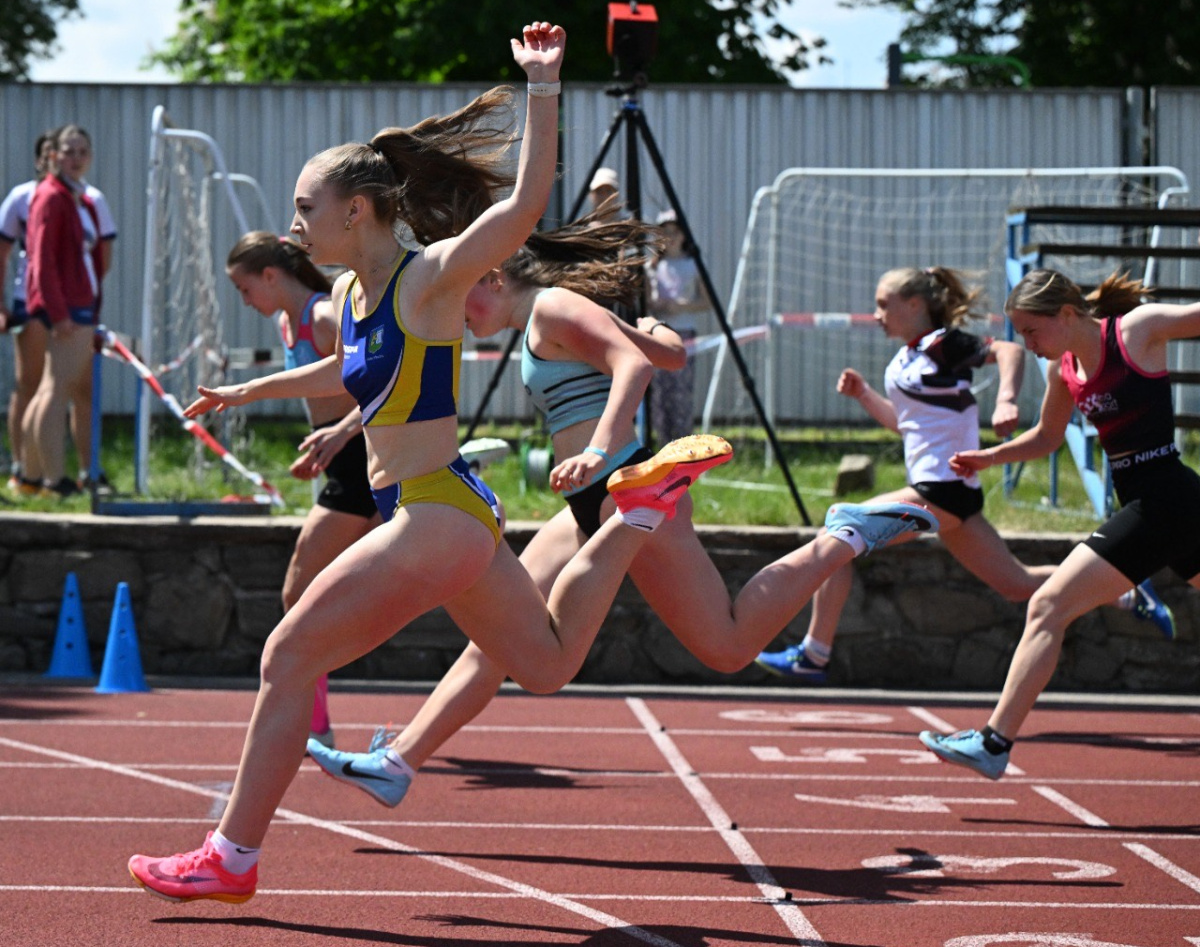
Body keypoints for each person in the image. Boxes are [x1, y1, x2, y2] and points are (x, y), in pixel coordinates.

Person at [125, 22, 735, 904]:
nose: (295, 225)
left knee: (287, 656)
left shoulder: (429, 279)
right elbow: (346, 370)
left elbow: (524, 208)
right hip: (454, 513)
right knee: (548, 664)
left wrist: (545, 86)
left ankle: (232, 854)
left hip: (431, 513)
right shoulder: (348, 290)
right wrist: (245, 396)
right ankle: (637, 512)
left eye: (305, 208)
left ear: (356, 211)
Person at [301, 223, 941, 809]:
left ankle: (843, 536)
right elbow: (660, 354)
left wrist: (602, 449)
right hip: (592, 496)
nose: (460, 319)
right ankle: (398, 761)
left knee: (727, 645)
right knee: (503, 634)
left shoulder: (550, 306)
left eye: (466, 297)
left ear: (494, 277)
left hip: (629, 482)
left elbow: (635, 366)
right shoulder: (542, 320)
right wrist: (649, 334)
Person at [756, 266, 1175, 684]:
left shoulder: (943, 344)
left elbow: (1008, 352)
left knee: (840, 533)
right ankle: (1129, 593)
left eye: (885, 304)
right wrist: (864, 394)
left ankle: (815, 653)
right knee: (1016, 583)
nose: (877, 313)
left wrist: (1006, 400)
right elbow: (906, 425)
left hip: (941, 489)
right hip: (950, 494)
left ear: (916, 304)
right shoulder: (908, 358)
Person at [919, 267, 1200, 780]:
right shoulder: (1062, 369)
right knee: (1050, 607)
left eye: (1031, 331)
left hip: (1167, 500)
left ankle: (993, 742)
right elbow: (1047, 438)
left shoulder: (1136, 330)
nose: (1025, 344)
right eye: (1019, 334)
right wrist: (989, 457)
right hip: (1160, 505)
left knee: (1047, 605)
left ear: (1067, 315)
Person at [225, 231, 385, 748]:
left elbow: (383, 381)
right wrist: (322, 448)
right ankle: (315, 718)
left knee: (300, 590)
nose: (244, 302)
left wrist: (338, 435)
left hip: (368, 460)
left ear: (272, 276)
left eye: (246, 289)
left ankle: (313, 720)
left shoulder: (322, 317)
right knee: (313, 592)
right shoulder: (285, 322)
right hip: (342, 465)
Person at [21, 124, 117, 497]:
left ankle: (31, 476)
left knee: (49, 388)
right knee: (55, 392)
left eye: (82, 151)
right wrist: (58, 312)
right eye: (68, 151)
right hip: (67, 308)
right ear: (53, 155)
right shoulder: (52, 196)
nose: (76, 159)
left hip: (76, 303)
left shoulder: (73, 195)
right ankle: (53, 479)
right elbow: (40, 261)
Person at [0, 130, 57, 494]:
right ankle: (21, 467)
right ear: (40, 159)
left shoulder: (84, 200)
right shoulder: (21, 196)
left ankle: (54, 471)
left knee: (62, 386)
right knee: (30, 383)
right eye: (51, 153)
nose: (60, 160)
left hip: (70, 305)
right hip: (29, 301)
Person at [646, 208, 710, 443]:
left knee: (681, 393)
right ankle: (663, 446)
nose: (671, 237)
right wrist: (658, 305)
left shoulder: (692, 265)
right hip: (658, 335)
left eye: (675, 232)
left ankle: (684, 447)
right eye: (666, 233)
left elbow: (707, 301)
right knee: (660, 395)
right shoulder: (652, 267)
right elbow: (648, 300)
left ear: (683, 235)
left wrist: (682, 306)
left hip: (684, 335)